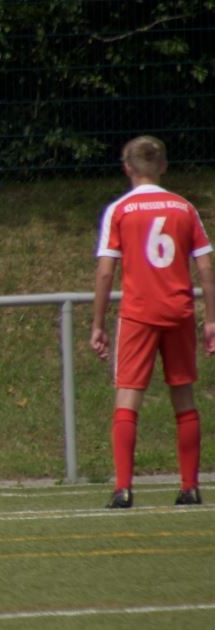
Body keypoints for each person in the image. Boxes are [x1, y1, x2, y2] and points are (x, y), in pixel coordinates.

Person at [89, 135, 214, 509]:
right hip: (178, 312)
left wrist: (97, 324)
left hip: (139, 314)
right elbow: (205, 268)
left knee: (128, 395)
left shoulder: (120, 210)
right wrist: (211, 319)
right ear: (163, 166)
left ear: (127, 167)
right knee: (184, 396)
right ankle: (189, 487)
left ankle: (123, 489)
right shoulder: (184, 208)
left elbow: (105, 272)